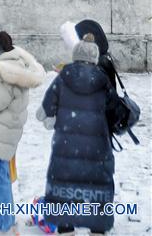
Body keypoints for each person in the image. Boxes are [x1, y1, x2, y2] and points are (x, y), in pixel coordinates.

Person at [37, 36, 115, 235]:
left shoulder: (63, 77)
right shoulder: (103, 79)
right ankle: (97, 227)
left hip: (66, 145)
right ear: (95, 57)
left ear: (75, 54)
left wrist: (53, 119)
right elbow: (113, 111)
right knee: (96, 183)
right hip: (97, 147)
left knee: (65, 182)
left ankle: (66, 226)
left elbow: (45, 110)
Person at [0, 31, 45, 235]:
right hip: (5, 132)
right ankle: (8, 222)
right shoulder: (13, 64)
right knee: (1, 179)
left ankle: (5, 226)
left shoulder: (2, 71)